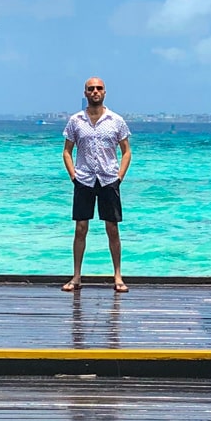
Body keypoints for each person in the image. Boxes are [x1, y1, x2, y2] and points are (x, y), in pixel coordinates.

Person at [62, 78, 131, 293]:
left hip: (109, 178)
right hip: (84, 179)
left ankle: (118, 276)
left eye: (98, 88)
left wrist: (119, 176)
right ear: (85, 93)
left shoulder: (116, 120)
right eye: (91, 89)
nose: (95, 92)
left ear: (105, 92)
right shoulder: (75, 121)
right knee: (81, 228)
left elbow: (126, 151)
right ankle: (76, 277)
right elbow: (67, 151)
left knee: (112, 228)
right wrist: (73, 175)